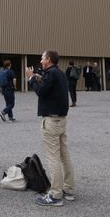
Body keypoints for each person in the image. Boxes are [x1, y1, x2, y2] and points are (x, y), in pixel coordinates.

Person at [26, 50, 75, 207]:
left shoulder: (50, 73)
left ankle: (55, 195)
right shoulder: (59, 73)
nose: (40, 61)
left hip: (51, 120)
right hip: (61, 119)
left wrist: (31, 78)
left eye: (42, 58)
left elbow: (41, 91)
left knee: (53, 157)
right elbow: (49, 87)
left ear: (48, 59)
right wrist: (39, 77)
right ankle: (68, 189)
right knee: (64, 155)